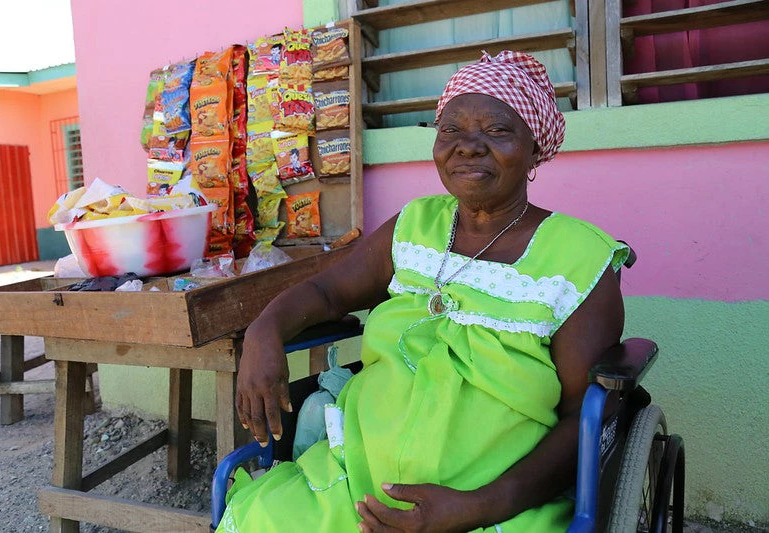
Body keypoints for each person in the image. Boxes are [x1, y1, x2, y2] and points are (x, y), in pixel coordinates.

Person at [218, 50, 629, 533]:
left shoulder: (578, 260)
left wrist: (478, 506)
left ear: (535, 148)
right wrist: (263, 333)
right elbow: (326, 293)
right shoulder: (415, 226)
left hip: (493, 503)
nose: (468, 147)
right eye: (451, 130)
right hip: (356, 483)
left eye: (497, 130)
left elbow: (584, 421)